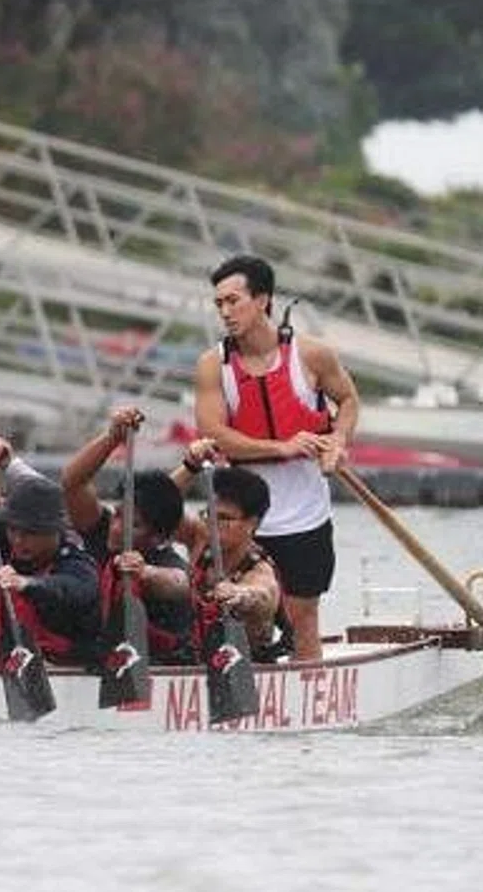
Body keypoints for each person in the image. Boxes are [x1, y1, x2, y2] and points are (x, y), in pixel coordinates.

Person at [195, 253, 361, 663]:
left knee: (303, 621)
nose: (226, 312)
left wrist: (338, 440)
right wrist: (281, 447)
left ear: (263, 299)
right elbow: (215, 434)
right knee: (230, 614)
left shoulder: (313, 355)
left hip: (304, 516)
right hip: (243, 520)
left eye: (234, 301)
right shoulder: (213, 366)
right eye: (219, 304)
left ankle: (308, 698)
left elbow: (349, 400)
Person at [59, 407, 212, 664]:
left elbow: (179, 584)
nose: (118, 528)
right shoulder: (104, 530)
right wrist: (112, 437)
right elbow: (72, 482)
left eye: (134, 525)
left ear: (159, 537)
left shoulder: (170, 563)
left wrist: (144, 573)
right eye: (118, 514)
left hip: (159, 662)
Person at [0, 477, 103, 667]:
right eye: (13, 530)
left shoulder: (77, 563)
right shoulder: (6, 544)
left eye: (30, 532)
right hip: (9, 665)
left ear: (54, 531)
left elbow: (77, 589)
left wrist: (27, 584)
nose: (18, 540)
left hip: (68, 671)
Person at [191, 465, 290, 663]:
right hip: (196, 657)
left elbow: (263, 595)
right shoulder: (201, 538)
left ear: (252, 523)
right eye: (209, 514)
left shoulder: (260, 572)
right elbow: (158, 512)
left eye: (225, 518)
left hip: (243, 666)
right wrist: (189, 465)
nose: (213, 524)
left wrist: (238, 594)